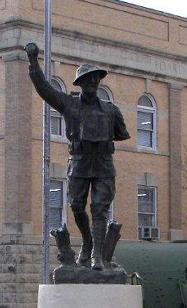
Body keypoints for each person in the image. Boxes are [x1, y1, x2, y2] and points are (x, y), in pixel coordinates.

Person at [25, 42, 130, 270]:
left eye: (96, 78)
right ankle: (88, 240)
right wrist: (33, 62)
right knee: (76, 206)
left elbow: (121, 134)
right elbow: (44, 88)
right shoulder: (69, 104)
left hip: (103, 163)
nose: (94, 81)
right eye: (89, 78)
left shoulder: (112, 110)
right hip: (80, 162)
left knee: (100, 209)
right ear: (80, 83)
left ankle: (97, 257)